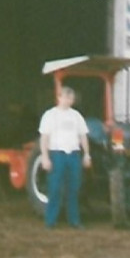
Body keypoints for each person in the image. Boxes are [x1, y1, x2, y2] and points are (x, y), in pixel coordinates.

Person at [38, 85, 92, 229]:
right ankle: (50, 221)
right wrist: (45, 157)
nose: (68, 101)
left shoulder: (76, 116)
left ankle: (74, 221)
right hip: (57, 155)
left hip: (73, 155)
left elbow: (83, 136)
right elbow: (44, 138)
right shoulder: (50, 115)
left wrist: (87, 155)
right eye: (66, 97)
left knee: (74, 189)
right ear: (59, 97)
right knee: (54, 188)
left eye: (71, 98)